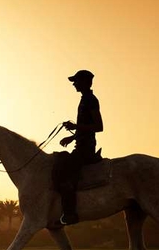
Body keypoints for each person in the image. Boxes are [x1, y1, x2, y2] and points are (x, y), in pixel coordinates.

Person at [55, 69, 104, 225]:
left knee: (63, 174)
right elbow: (85, 128)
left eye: (76, 81)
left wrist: (75, 128)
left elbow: (98, 126)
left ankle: (70, 214)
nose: (74, 84)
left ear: (85, 82)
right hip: (81, 145)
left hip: (85, 149)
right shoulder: (84, 100)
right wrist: (73, 134)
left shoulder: (90, 100)